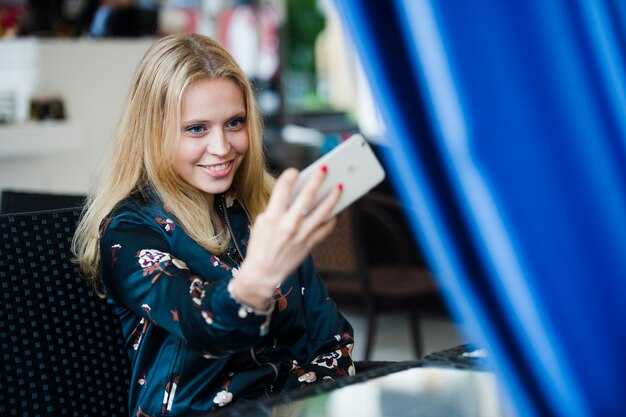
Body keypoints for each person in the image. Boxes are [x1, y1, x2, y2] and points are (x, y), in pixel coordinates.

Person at [72, 33, 354, 416]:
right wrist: (255, 281)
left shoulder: (261, 210)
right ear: (152, 132)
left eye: (234, 123)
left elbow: (331, 339)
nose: (222, 147)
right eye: (196, 129)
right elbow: (208, 325)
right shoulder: (128, 232)